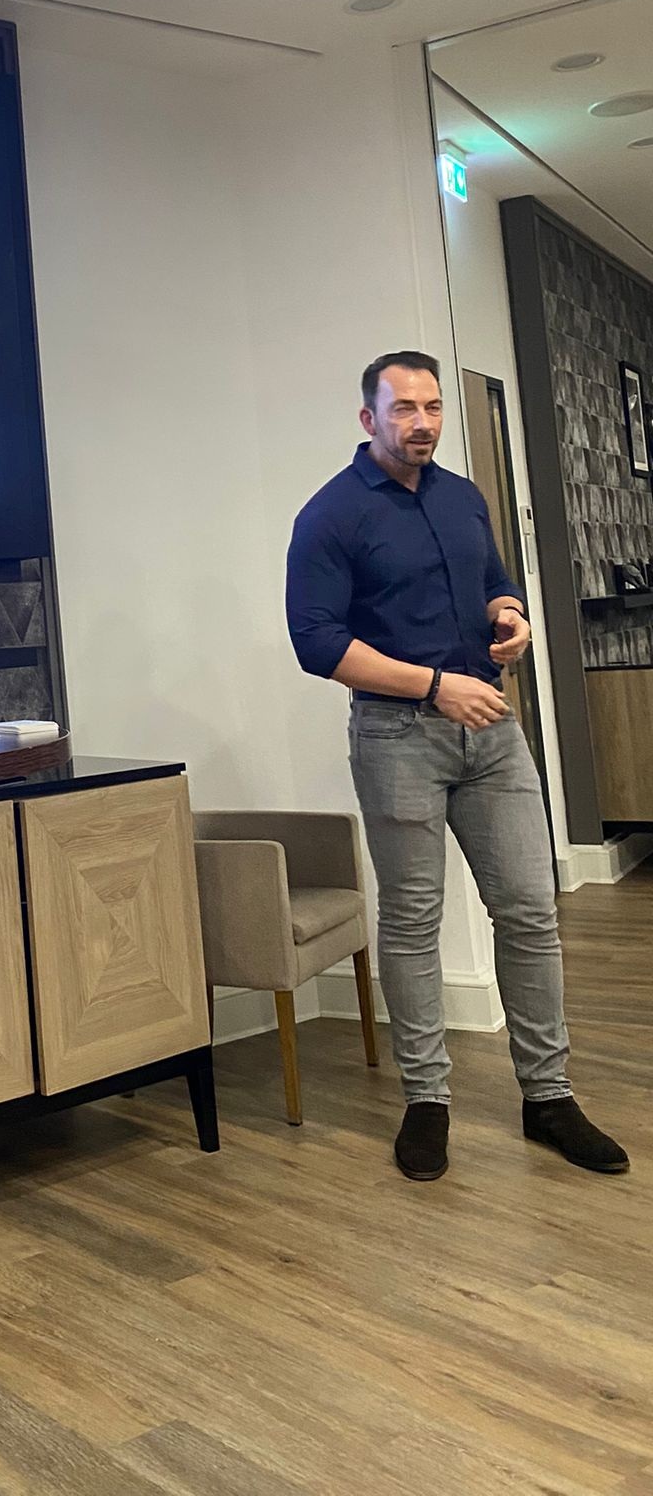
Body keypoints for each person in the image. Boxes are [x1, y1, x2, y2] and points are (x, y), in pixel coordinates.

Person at [286, 350, 628, 1183]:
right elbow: (317, 642)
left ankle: (548, 1098)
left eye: (432, 406)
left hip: (493, 734)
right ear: (368, 419)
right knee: (412, 920)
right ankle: (426, 1101)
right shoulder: (330, 515)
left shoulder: (463, 496)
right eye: (403, 408)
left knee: (529, 912)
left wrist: (509, 614)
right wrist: (436, 687)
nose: (422, 422)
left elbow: (495, 581)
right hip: (398, 736)